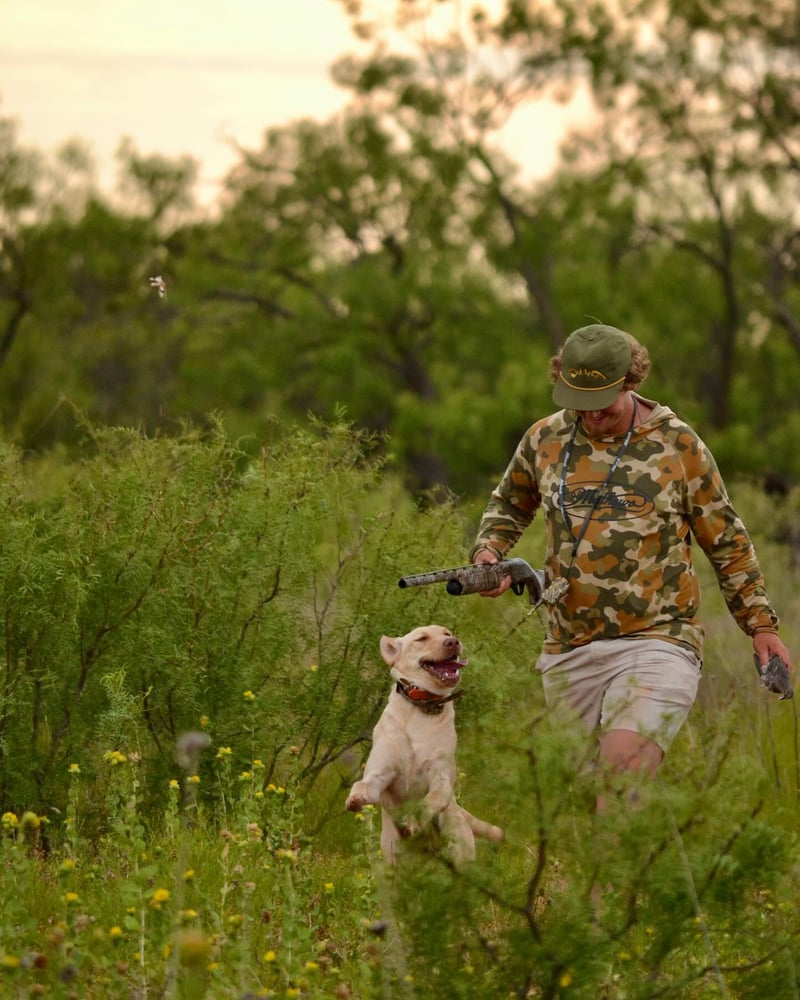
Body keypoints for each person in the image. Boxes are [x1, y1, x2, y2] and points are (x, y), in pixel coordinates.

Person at [470, 323, 792, 782]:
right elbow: (508, 504)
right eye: (578, 402)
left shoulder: (677, 444)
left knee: (621, 778)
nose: (591, 415)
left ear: (630, 382)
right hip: (568, 645)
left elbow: (727, 542)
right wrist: (489, 553)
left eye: (601, 402)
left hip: (658, 639)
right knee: (570, 807)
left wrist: (760, 625)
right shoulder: (545, 439)